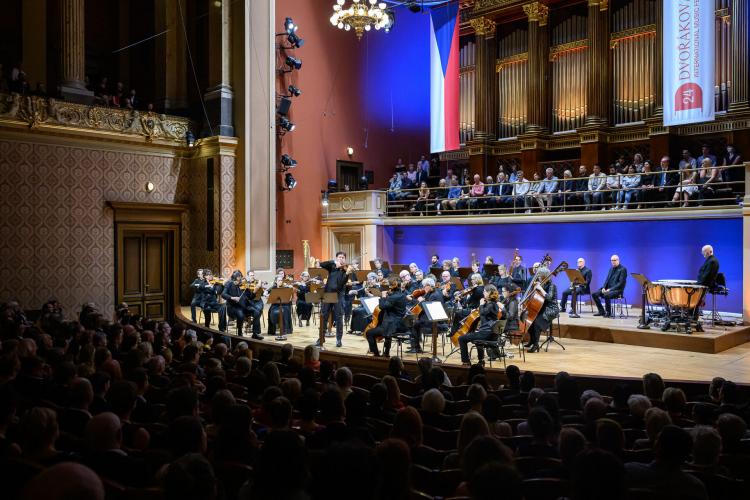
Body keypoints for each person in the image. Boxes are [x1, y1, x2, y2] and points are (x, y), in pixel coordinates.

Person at [458, 285, 501, 365]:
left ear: (489, 293)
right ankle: (481, 361)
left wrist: (481, 305)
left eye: (484, 291)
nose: (483, 292)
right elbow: (484, 313)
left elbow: (483, 312)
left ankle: (466, 361)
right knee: (476, 337)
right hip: (489, 333)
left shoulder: (491, 304)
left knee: (461, 338)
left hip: (486, 334)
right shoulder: (492, 304)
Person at [366, 277, 407, 357]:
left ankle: (376, 355)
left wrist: (383, 297)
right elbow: (393, 300)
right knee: (386, 333)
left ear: (392, 287)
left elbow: (382, 306)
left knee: (369, 333)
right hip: (400, 324)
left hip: (391, 325)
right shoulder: (402, 295)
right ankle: (386, 353)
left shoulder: (393, 297)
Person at [523, 267, 559, 353]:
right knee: (530, 321)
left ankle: (536, 345)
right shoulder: (542, 284)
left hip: (551, 308)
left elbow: (549, 298)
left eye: (539, 276)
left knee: (536, 323)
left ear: (544, 276)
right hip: (542, 307)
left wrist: (540, 289)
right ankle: (532, 341)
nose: (538, 278)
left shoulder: (551, 286)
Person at [409, 277, 448, 354]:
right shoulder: (434, 292)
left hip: (435, 322)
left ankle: (416, 347)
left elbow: (427, 309)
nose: (423, 288)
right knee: (416, 322)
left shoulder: (434, 295)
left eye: (424, 286)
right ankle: (416, 346)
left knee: (413, 324)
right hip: (433, 319)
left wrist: (419, 301)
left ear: (429, 285)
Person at [317, 251, 348, 348]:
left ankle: (339, 340)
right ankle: (321, 338)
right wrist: (333, 262)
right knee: (324, 316)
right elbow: (322, 264)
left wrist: (347, 273)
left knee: (339, 317)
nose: (341, 259)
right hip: (328, 294)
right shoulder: (332, 267)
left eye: (343, 257)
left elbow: (341, 284)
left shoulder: (345, 270)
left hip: (339, 295)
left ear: (345, 259)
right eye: (339, 257)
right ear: (336, 258)